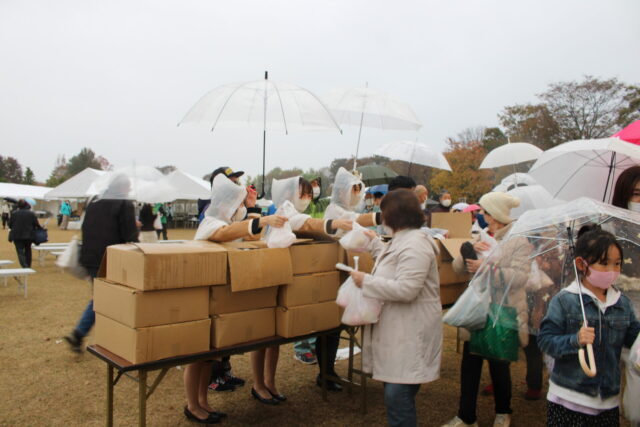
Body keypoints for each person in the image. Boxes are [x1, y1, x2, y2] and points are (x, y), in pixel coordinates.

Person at [189, 174, 289, 422]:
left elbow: (252, 236)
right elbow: (226, 232)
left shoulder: (226, 219)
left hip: (218, 297)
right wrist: (260, 218)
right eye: (240, 205)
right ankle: (193, 405)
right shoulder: (211, 222)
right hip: (202, 295)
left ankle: (203, 402)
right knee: (198, 357)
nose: (242, 210)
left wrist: (254, 207)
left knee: (209, 356)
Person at [349, 189, 442, 427]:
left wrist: (365, 281)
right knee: (397, 392)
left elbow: (407, 288)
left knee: (398, 396)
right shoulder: (405, 239)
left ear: (393, 214)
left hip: (410, 332)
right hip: (401, 331)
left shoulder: (416, 244)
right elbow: (393, 260)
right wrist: (373, 242)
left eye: (382, 211)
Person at [538, 225, 640, 427]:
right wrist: (574, 340)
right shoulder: (565, 301)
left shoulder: (623, 303)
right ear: (581, 264)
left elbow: (633, 337)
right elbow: (546, 341)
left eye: (617, 264)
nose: (612, 271)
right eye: (604, 264)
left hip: (608, 402)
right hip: (568, 400)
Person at [443, 192, 528, 427]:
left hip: (502, 310)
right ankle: (466, 416)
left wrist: (488, 267)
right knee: (469, 366)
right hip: (477, 309)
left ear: (495, 214)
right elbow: (460, 269)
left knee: (499, 363)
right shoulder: (479, 235)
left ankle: (503, 411)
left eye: (484, 211)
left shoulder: (517, 240)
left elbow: (521, 277)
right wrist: (467, 251)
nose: (480, 214)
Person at [64, 174, 139, 352]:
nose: (129, 190)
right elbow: (130, 236)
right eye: (128, 187)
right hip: (110, 258)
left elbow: (86, 227)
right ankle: (80, 334)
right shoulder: (124, 204)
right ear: (122, 188)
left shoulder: (94, 202)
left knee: (102, 297)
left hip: (90, 256)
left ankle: (82, 334)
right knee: (104, 298)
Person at [8, 199, 43, 268]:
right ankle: (28, 265)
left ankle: (24, 265)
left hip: (17, 235)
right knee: (28, 250)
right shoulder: (31, 213)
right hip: (28, 235)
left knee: (20, 251)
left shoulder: (14, 214)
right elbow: (36, 224)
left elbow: (10, 225)